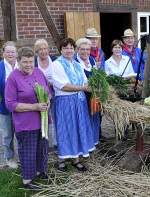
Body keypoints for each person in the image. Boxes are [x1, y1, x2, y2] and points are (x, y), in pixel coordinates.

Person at [5, 47, 51, 190]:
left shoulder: (38, 71)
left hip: (42, 120)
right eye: (25, 62)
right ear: (18, 61)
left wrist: (48, 101)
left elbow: (48, 90)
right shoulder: (13, 78)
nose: (29, 65)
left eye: (31, 61)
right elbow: (10, 104)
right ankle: (27, 180)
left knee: (42, 148)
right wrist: (35, 107)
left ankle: (40, 171)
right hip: (25, 122)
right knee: (28, 151)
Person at [51, 38, 95, 172]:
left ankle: (76, 159)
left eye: (71, 48)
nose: (69, 50)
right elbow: (63, 86)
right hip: (65, 102)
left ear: (74, 49)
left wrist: (85, 87)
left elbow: (85, 81)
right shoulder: (57, 64)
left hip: (78, 101)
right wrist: (83, 89)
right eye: (66, 48)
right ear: (61, 50)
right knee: (65, 129)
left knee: (77, 128)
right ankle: (62, 160)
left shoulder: (76, 64)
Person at [0, 41, 18, 169]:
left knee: (22, 133)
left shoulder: (21, 65)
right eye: (8, 52)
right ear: (3, 54)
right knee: (8, 135)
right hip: (5, 107)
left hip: (21, 106)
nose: (10, 54)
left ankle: (23, 155)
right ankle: (10, 157)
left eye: (13, 52)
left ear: (17, 53)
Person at [74, 37, 101, 144]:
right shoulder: (75, 62)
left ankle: (94, 142)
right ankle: (86, 144)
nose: (85, 52)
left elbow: (96, 77)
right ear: (78, 50)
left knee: (95, 118)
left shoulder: (92, 60)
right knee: (85, 120)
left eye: (87, 49)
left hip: (93, 95)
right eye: (82, 49)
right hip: (81, 95)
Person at [34, 39, 57, 147]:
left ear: (48, 49)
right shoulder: (34, 62)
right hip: (41, 95)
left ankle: (57, 143)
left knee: (56, 118)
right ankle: (44, 143)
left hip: (56, 93)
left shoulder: (54, 60)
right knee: (43, 118)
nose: (43, 51)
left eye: (45, 48)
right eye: (40, 49)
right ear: (36, 51)